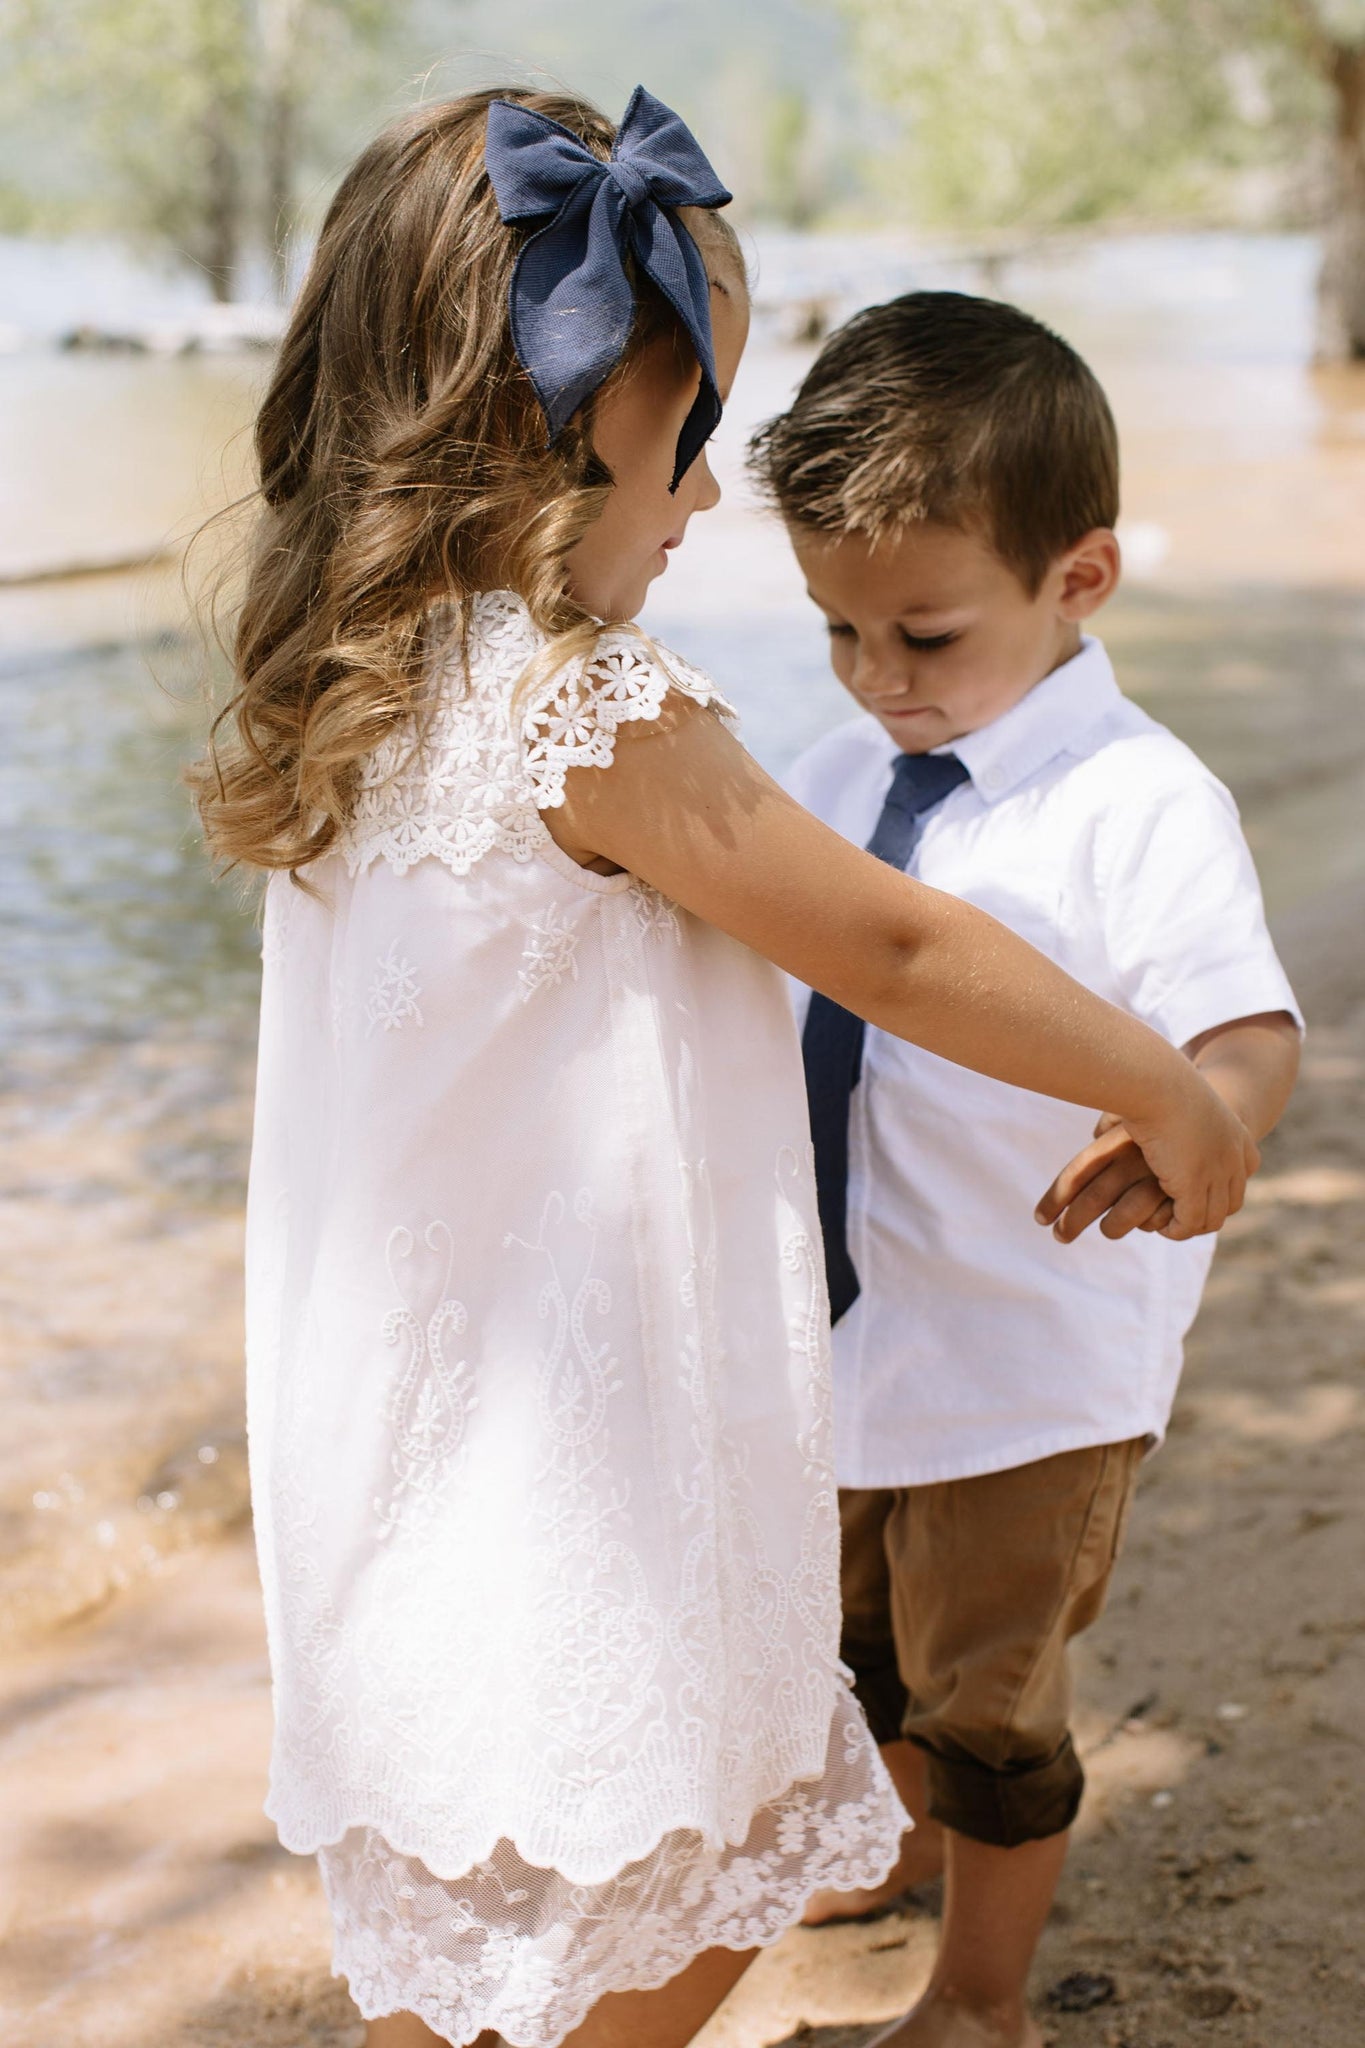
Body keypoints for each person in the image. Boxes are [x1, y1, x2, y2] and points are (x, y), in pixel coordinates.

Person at [194, 90, 1261, 2048]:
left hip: (408, 1401)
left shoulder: (352, 685)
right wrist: (1167, 1082)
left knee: (499, 1851)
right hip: (580, 1425)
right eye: (680, 440)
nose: (697, 504)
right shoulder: (581, 704)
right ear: (536, 431)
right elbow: (890, 943)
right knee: (709, 1838)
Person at [749, 289, 1302, 2048]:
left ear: (1080, 579)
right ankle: (894, 1840)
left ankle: (979, 1995)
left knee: (988, 1694)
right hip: (846, 1338)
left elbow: (1243, 1030)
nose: (874, 676)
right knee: (853, 1646)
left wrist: (1195, 1118)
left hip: (1024, 1363)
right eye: (836, 631)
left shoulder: (1138, 803)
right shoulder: (834, 770)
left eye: (921, 632)